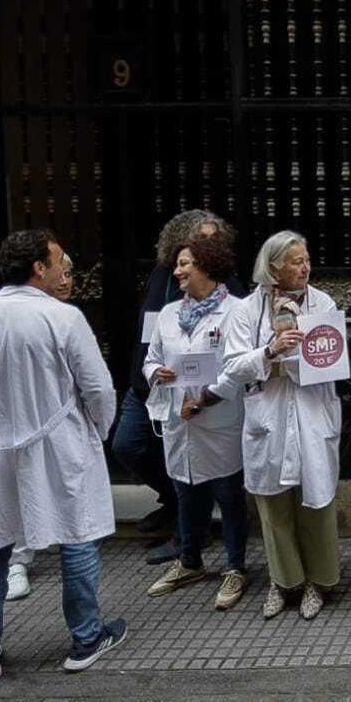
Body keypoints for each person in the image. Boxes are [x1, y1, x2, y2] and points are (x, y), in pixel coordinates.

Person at [0, 230, 127, 684]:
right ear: (38, 268)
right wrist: (96, 431)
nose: (66, 270)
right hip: (62, 443)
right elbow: (99, 388)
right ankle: (87, 638)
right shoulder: (62, 318)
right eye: (59, 262)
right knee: (77, 535)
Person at [221, 230, 343, 621]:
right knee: (274, 506)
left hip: (311, 412)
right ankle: (283, 581)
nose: (305, 267)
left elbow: (331, 359)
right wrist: (271, 351)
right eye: (296, 262)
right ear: (273, 267)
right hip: (268, 417)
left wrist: (290, 356)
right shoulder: (244, 310)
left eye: (307, 260)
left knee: (316, 502)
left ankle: (318, 582)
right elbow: (233, 366)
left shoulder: (322, 302)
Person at [114, 210, 240, 567]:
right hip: (152, 387)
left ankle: (192, 543)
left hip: (205, 398)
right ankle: (172, 503)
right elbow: (150, 334)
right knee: (128, 446)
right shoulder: (162, 277)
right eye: (202, 237)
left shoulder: (229, 285)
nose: (209, 243)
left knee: (210, 476)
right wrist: (151, 372)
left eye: (214, 239)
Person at [142, 236, 249, 611]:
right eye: (178, 264)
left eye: (185, 263)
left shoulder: (238, 311)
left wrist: (204, 399)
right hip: (178, 419)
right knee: (186, 493)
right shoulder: (169, 313)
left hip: (218, 418)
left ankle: (235, 567)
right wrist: (158, 371)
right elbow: (150, 358)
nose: (178, 271)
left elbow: (238, 369)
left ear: (206, 265)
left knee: (229, 495)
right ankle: (190, 562)